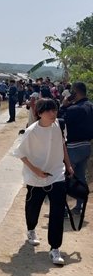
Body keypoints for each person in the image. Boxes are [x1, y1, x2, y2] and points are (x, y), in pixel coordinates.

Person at [13, 98, 74, 266]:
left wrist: (68, 165)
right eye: (49, 111)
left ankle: (55, 248)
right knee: (33, 206)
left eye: (54, 110)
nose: (53, 113)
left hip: (57, 174)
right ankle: (31, 229)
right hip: (36, 177)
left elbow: (62, 145)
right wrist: (36, 171)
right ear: (39, 113)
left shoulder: (59, 125)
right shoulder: (31, 131)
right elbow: (20, 154)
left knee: (57, 211)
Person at [59, 81, 93, 214]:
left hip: (73, 147)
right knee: (80, 177)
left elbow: (59, 120)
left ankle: (64, 209)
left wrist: (64, 105)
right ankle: (79, 206)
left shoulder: (73, 109)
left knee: (66, 178)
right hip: (86, 146)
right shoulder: (90, 106)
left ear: (75, 93)